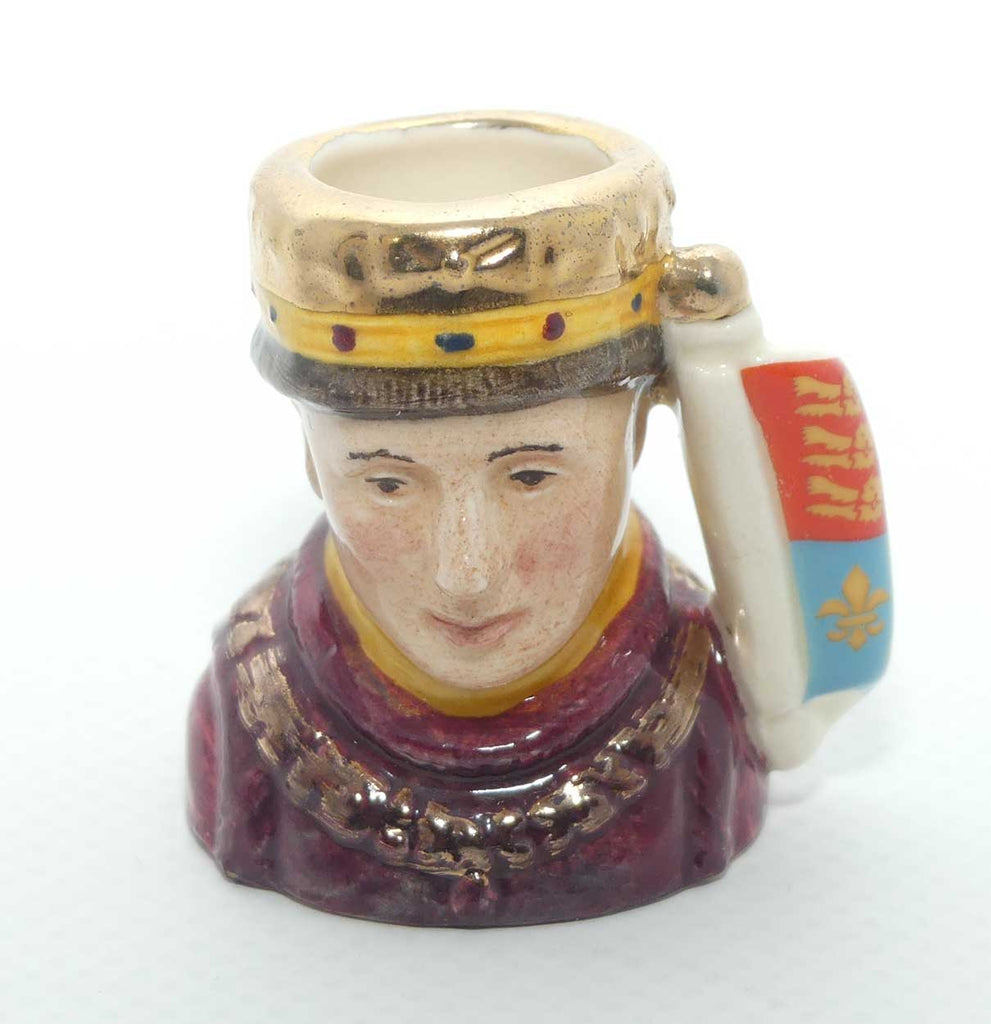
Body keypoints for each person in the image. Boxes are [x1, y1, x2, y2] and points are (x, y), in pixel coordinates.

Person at [187, 112, 890, 926]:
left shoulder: (700, 708)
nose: (467, 571)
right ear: (313, 459)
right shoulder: (253, 710)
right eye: (386, 484)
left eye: (531, 477)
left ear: (635, 434)